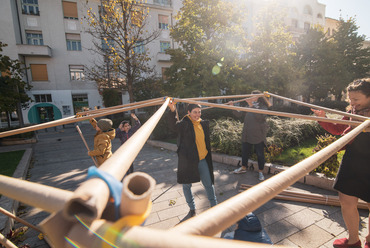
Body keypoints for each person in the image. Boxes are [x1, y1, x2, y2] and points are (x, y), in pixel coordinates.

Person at [311, 78, 370, 248]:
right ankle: (353, 241)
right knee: (346, 200)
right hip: (352, 159)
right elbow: (339, 129)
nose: (352, 103)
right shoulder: (353, 111)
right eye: (350, 99)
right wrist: (323, 118)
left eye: (356, 99)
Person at [168, 102, 217, 217]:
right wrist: (172, 109)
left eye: (199, 112)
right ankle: (192, 208)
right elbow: (172, 125)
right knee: (186, 186)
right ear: (189, 113)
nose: (197, 114)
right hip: (188, 162)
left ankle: (214, 206)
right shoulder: (184, 124)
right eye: (195, 112)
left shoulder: (203, 124)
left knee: (209, 185)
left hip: (203, 160)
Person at [228, 90, 271, 181]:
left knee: (260, 154)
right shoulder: (248, 106)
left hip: (258, 134)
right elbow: (239, 114)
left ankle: (260, 171)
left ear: (258, 97)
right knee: (244, 152)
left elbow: (260, 117)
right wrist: (232, 107)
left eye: (252, 96)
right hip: (247, 133)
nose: (250, 97)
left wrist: (251, 105)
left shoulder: (262, 107)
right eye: (250, 96)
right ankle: (243, 168)